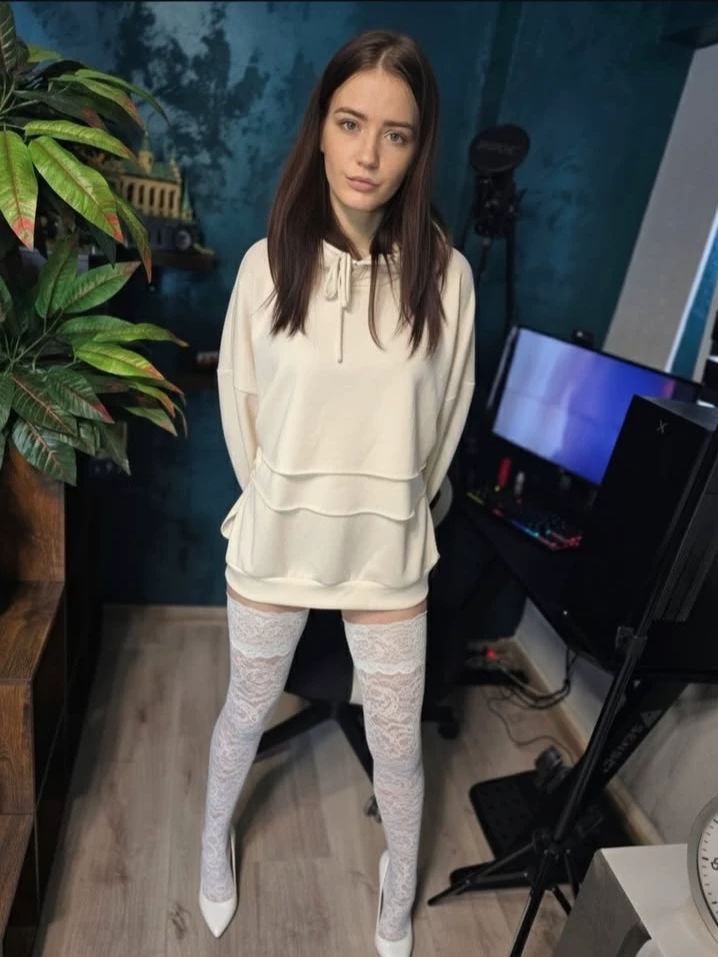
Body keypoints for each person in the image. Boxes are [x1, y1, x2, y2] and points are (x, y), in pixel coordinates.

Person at [199, 29, 476, 957]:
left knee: (398, 746)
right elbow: (242, 408)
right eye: (351, 123)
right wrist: (285, 497)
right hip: (279, 537)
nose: (369, 155)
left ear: (418, 148)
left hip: (387, 548)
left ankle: (395, 899)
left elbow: (444, 422)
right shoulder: (264, 264)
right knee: (246, 707)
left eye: (396, 134)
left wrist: (395, 508)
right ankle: (212, 840)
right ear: (320, 125)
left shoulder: (448, 277)